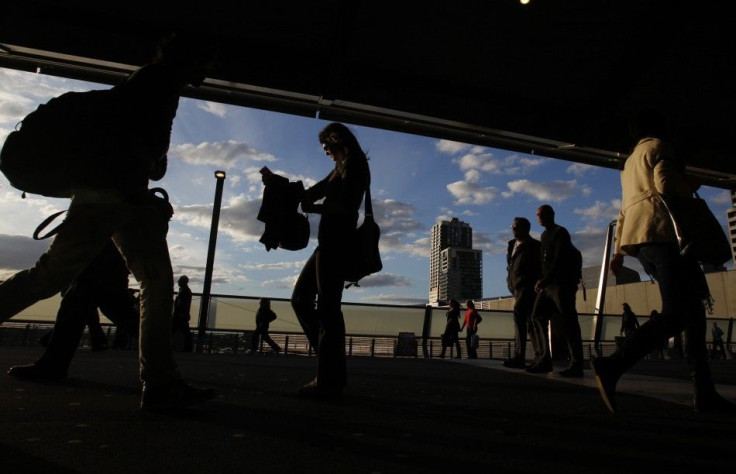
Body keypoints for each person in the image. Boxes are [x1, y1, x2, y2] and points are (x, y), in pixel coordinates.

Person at [0, 33, 215, 410]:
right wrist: (151, 168)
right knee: (53, 277)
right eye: (205, 62)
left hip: (120, 197)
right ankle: (160, 383)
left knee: (150, 282)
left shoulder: (154, 82)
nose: (209, 71)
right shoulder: (158, 83)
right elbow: (136, 148)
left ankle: (161, 382)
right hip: (112, 196)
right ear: (189, 60)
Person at [591, 108, 733, 413]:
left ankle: (704, 392)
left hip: (640, 241)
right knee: (679, 312)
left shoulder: (629, 163)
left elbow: (625, 210)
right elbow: (666, 183)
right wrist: (690, 184)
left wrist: (618, 253)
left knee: (693, 314)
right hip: (665, 237)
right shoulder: (661, 148)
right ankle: (614, 364)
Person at [282, 122, 370, 399]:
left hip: (337, 244)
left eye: (326, 148)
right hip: (329, 244)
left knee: (326, 309)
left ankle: (329, 379)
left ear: (336, 141)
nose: (326, 153)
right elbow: (318, 189)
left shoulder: (354, 165)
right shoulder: (342, 166)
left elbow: (346, 206)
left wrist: (313, 206)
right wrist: (291, 190)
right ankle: (331, 369)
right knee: (304, 301)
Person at [7, 242, 139, 380]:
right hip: (108, 254)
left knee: (88, 301)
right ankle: (53, 364)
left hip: (102, 252)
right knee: (103, 304)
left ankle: (53, 364)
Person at [527, 204, 585, 377]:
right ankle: (544, 359)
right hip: (548, 285)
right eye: (537, 215)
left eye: (542, 214)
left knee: (568, 321)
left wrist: (544, 280)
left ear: (551, 215)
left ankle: (576, 363)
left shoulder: (560, 232)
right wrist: (541, 280)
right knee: (537, 316)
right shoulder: (544, 235)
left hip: (560, 284)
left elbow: (559, 259)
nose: (539, 217)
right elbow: (545, 262)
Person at [503, 217, 541, 369]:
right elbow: (511, 266)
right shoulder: (512, 245)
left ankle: (521, 356)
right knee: (530, 321)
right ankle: (537, 356)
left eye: (516, 227)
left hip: (528, 287)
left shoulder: (534, 246)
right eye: (513, 227)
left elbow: (537, 268)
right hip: (516, 289)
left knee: (522, 317)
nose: (513, 229)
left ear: (526, 229)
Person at [171, 275, 193, 352]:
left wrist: (179, 313)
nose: (178, 282)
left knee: (172, 330)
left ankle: (188, 348)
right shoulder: (186, 290)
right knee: (185, 331)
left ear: (182, 282)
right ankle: (188, 348)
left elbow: (180, 304)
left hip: (179, 315)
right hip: (181, 315)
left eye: (179, 280)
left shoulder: (183, 291)